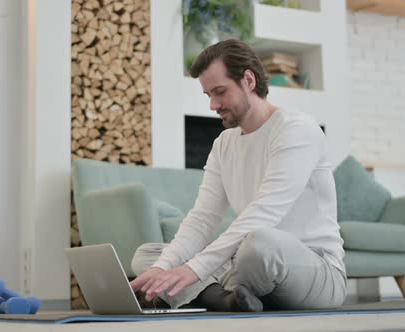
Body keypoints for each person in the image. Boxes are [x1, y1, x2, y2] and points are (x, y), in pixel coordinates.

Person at [130, 39, 346, 312]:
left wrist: (192, 270)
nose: (213, 104)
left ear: (248, 80)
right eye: (208, 94)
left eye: (219, 92)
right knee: (148, 256)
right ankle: (228, 299)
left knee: (259, 244)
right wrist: (163, 268)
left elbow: (264, 213)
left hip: (313, 269)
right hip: (245, 261)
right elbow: (202, 219)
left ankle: (208, 294)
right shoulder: (224, 143)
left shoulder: (297, 130)